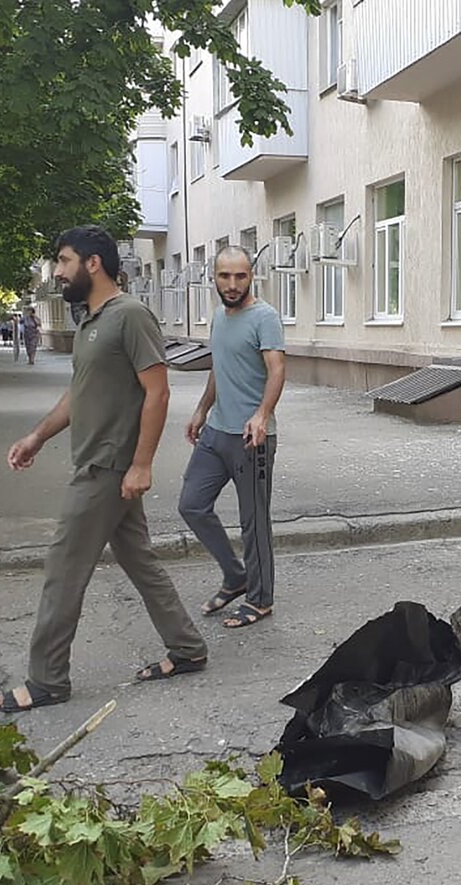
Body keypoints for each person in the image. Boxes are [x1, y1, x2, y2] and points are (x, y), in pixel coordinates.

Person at [0, 225, 207, 713]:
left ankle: (46, 679)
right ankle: (188, 647)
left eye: (64, 261)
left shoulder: (130, 316)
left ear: (93, 263)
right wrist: (37, 436)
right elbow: (79, 392)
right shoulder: (91, 321)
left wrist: (142, 464)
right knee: (139, 561)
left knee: (63, 571)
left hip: (107, 467)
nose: (59, 271)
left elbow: (158, 391)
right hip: (98, 461)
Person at [178, 245, 286, 629]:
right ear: (214, 278)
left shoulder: (265, 317)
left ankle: (260, 599)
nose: (233, 283)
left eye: (240, 276)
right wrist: (201, 410)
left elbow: (276, 370)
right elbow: (218, 366)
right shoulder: (219, 318)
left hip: (250, 437)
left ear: (251, 276)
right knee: (191, 504)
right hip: (216, 431)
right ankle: (235, 575)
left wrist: (261, 415)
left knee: (253, 522)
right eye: (225, 276)